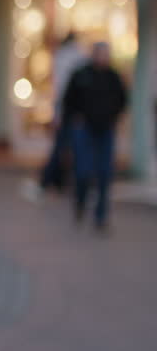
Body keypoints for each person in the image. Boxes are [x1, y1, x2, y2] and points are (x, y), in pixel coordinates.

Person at [61, 41, 128, 231]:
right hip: (84, 130)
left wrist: (114, 118)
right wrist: (73, 121)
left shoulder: (114, 77)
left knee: (105, 173)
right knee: (83, 171)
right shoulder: (81, 75)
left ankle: (101, 215)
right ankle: (80, 202)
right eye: (101, 53)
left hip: (105, 130)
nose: (103, 57)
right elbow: (68, 101)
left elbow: (123, 100)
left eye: (106, 54)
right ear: (94, 54)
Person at [25, 32, 85, 201]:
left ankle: (51, 182)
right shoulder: (79, 57)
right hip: (75, 113)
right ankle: (63, 183)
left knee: (62, 148)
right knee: (70, 149)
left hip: (68, 111)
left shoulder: (64, 58)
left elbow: (60, 88)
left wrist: (57, 114)